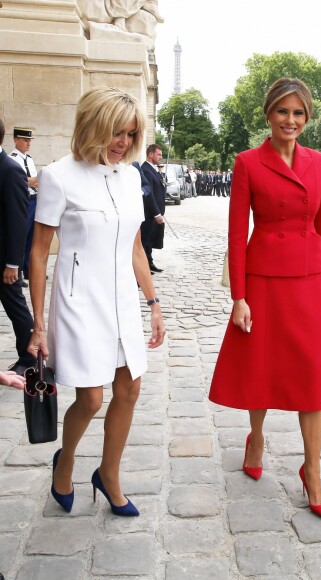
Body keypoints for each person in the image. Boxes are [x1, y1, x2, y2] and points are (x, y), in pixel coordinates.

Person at [209, 77, 321, 520]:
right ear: (269, 114)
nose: (290, 120)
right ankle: (256, 437)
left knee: (312, 376)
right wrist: (239, 296)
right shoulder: (248, 162)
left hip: (308, 279)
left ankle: (312, 470)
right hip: (264, 277)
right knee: (261, 367)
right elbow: (236, 233)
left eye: (299, 113)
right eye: (283, 111)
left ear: (306, 119)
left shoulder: (319, 162)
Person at [27, 87, 165, 516]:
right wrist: (37, 324)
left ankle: (108, 474)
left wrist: (154, 303)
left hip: (122, 297)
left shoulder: (129, 176)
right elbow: (38, 250)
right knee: (89, 398)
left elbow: (136, 248)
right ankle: (64, 460)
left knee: (130, 389)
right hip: (78, 300)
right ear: (91, 126)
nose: (122, 142)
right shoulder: (59, 175)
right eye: (114, 132)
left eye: (129, 133)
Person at [0, 117, 36, 375]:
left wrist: (13, 262)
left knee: (17, 309)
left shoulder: (10, 169)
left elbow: (17, 220)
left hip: (3, 261)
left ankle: (29, 358)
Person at [10, 128, 38, 282]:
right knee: (20, 236)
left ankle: (28, 269)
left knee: (32, 238)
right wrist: (30, 181)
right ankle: (18, 272)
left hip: (34, 200)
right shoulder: (12, 159)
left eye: (29, 140)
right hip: (22, 200)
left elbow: (34, 179)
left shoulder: (30, 159)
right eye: (25, 140)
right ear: (15, 140)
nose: (28, 143)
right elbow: (14, 180)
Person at [140, 144, 165, 273]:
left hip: (154, 213)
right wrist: (156, 213)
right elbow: (149, 194)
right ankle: (143, 267)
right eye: (159, 154)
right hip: (149, 213)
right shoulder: (145, 170)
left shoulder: (152, 169)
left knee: (150, 241)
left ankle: (149, 263)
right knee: (145, 241)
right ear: (151, 154)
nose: (161, 157)